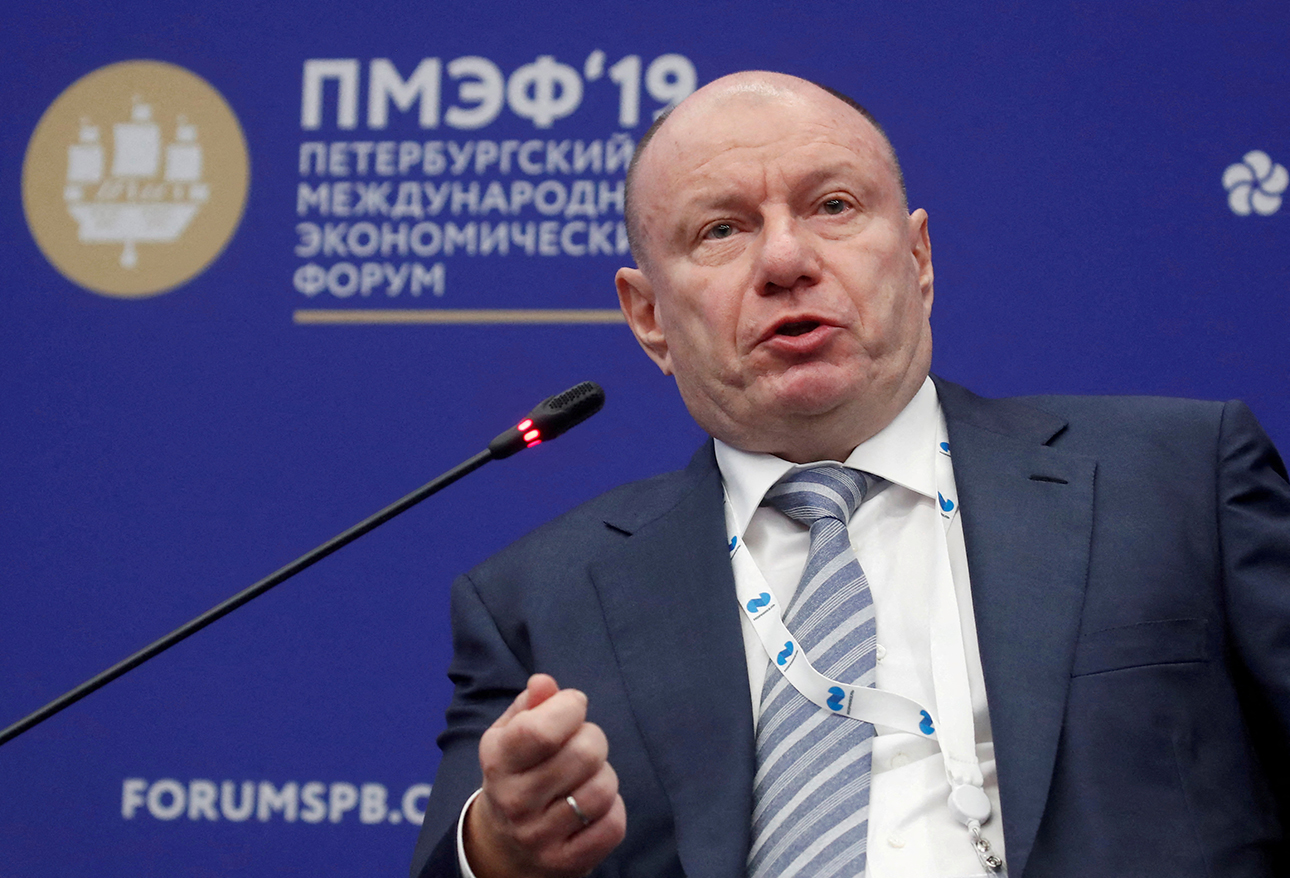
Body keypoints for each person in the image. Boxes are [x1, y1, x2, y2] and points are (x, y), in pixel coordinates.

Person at [411, 71, 1290, 878]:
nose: (785, 261)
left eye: (833, 206)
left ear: (918, 259)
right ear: (648, 317)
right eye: (722, 230)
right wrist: (499, 850)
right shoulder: (540, 602)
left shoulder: (1179, 482)